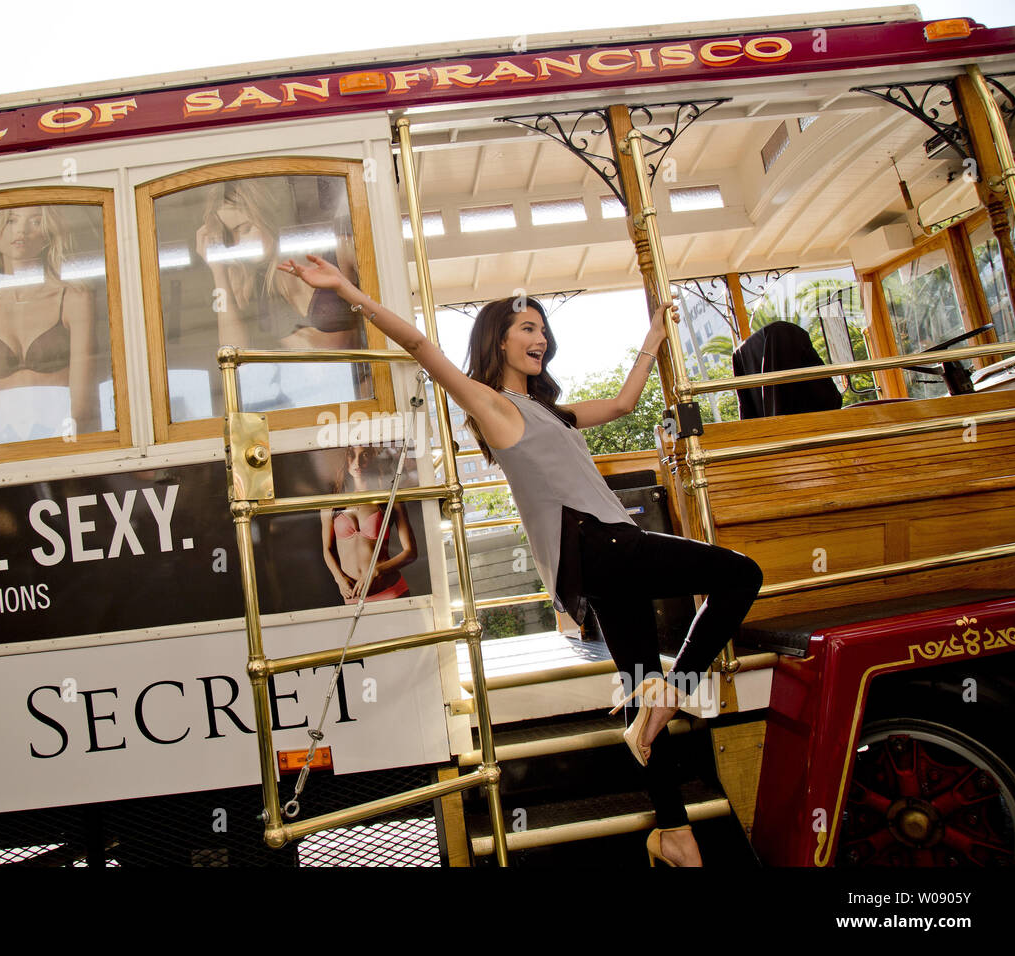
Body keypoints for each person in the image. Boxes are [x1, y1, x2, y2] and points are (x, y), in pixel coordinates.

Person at [279, 253, 763, 867]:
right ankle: (676, 691)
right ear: (498, 341)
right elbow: (420, 344)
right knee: (739, 575)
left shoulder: (548, 412)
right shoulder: (494, 405)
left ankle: (674, 830)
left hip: (598, 559)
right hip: (602, 545)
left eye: (543, 329)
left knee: (642, 687)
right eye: (526, 328)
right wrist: (346, 289)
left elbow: (618, 406)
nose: (540, 337)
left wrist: (653, 339)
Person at [195, 178, 368, 410]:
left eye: (245, 229)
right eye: (230, 236)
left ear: (269, 215)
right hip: (310, 408)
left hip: (362, 400)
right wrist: (217, 267)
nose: (237, 243)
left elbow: (384, 309)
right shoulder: (255, 283)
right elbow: (233, 357)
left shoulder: (338, 248)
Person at [0, 205, 96, 446]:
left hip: (67, 444)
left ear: (48, 235)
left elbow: (82, 405)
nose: (21, 230)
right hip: (4, 449)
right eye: (11, 221)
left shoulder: (74, 299)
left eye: (35, 222)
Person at [320, 444, 418, 604]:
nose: (357, 462)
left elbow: (411, 552)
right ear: (345, 459)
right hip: (352, 596)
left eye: (364, 455)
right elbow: (327, 549)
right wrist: (339, 578)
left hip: (391, 591)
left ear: (373, 457)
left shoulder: (390, 500)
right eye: (352, 454)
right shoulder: (331, 503)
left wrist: (376, 570)